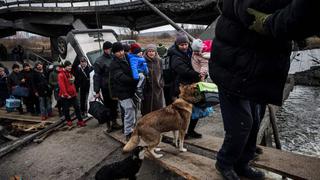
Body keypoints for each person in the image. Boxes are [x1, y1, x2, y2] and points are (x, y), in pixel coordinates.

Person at [208, 1, 320, 179]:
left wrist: (298, 32)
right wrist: (290, 26)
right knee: (242, 123)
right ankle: (224, 162)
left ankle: (242, 162)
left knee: (255, 120)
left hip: (257, 69)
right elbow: (251, 12)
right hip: (234, 67)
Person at [167, 32, 204, 139]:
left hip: (192, 84)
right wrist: (198, 74)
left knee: (196, 108)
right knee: (183, 112)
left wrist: (202, 72)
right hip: (181, 87)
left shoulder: (191, 52)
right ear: (177, 45)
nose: (184, 46)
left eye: (186, 44)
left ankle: (191, 130)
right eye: (181, 45)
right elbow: (183, 71)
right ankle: (182, 133)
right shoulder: (175, 56)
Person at [109, 42, 138, 140]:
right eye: (118, 52)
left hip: (131, 89)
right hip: (121, 91)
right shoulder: (113, 64)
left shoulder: (129, 58)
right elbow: (120, 77)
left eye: (121, 50)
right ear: (114, 53)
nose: (121, 53)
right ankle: (128, 133)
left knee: (134, 109)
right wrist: (134, 79)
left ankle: (133, 129)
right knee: (129, 109)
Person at [93, 41, 122, 133]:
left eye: (111, 49)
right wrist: (97, 91)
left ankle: (115, 122)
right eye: (109, 49)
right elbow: (96, 77)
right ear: (105, 50)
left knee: (114, 106)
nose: (111, 51)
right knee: (107, 107)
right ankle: (108, 125)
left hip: (115, 86)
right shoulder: (99, 61)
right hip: (105, 88)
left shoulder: (114, 57)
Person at [58, 60, 85, 127]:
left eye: (70, 66)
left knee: (77, 107)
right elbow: (62, 86)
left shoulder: (69, 73)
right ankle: (69, 121)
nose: (70, 67)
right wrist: (66, 94)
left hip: (72, 94)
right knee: (66, 109)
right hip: (66, 96)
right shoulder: (61, 75)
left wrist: (74, 92)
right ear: (65, 66)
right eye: (68, 66)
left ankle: (80, 121)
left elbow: (71, 85)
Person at [141, 44, 165, 116]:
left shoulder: (159, 61)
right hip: (147, 88)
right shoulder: (143, 61)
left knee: (158, 107)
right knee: (147, 108)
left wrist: (161, 83)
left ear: (156, 52)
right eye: (149, 51)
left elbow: (162, 73)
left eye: (153, 51)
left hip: (158, 88)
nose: (151, 53)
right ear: (146, 52)